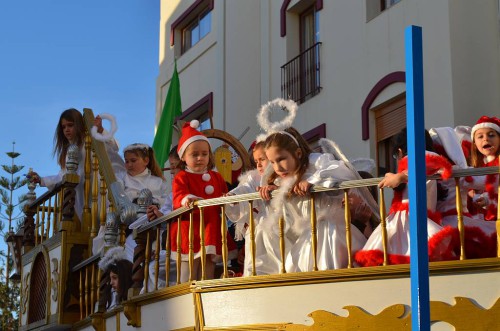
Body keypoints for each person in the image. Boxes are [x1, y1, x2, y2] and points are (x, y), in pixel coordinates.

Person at [258, 127, 368, 272]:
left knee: (329, 265)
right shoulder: (281, 181)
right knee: (297, 268)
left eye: (281, 159)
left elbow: (340, 169)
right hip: (308, 239)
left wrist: (313, 181)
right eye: (272, 162)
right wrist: (275, 193)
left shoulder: (315, 163)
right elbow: (286, 220)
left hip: (332, 233)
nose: (277, 167)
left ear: (297, 153)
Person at [354, 128, 457, 267]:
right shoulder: (424, 162)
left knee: (403, 250)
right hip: (409, 218)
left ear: (400, 151)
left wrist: (401, 176)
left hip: (409, 219)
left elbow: (421, 168)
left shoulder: (421, 159)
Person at [170, 120, 237, 282]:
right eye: (194, 154)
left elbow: (224, 195)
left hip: (211, 225)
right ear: (184, 157)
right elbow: (178, 196)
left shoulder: (216, 176)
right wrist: (187, 199)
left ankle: (206, 287)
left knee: (209, 260)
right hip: (190, 227)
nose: (200, 158)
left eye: (204, 154)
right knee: (190, 265)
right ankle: (188, 293)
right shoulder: (182, 176)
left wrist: (226, 200)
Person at [28, 109, 119, 220]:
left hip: (100, 189)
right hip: (83, 194)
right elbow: (63, 175)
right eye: (64, 127)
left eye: (70, 125)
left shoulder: (90, 139)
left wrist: (100, 130)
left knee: (107, 219)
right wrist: (42, 180)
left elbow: (114, 146)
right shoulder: (67, 152)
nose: (66, 130)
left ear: (79, 125)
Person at [430, 126, 497, 258]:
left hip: (437, 226)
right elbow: (488, 179)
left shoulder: (430, 172)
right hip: (457, 221)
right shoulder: (457, 172)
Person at [225, 140, 274, 276]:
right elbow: (245, 188)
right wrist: (234, 195)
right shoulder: (254, 177)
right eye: (256, 160)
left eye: (262, 159)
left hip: (278, 226)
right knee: (256, 258)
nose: (258, 164)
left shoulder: (281, 176)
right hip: (257, 226)